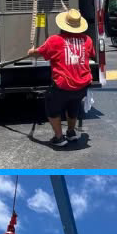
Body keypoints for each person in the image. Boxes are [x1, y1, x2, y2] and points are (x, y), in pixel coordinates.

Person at [27, 8, 95, 147]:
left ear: (63, 25)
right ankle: (71, 132)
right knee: (74, 105)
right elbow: (92, 53)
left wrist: (31, 52)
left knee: (51, 107)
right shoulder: (87, 40)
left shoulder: (55, 40)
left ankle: (59, 138)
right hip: (82, 85)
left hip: (63, 85)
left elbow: (38, 53)